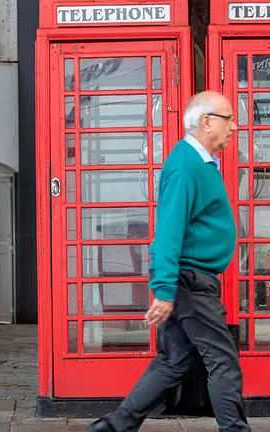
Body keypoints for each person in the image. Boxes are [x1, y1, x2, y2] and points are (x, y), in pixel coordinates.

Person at [88, 91, 251, 432]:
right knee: (223, 362)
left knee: (175, 361)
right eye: (229, 119)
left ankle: (114, 427)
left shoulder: (199, 163)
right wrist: (163, 289)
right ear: (207, 121)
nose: (235, 127)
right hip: (191, 282)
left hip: (189, 279)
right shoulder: (186, 165)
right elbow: (168, 229)